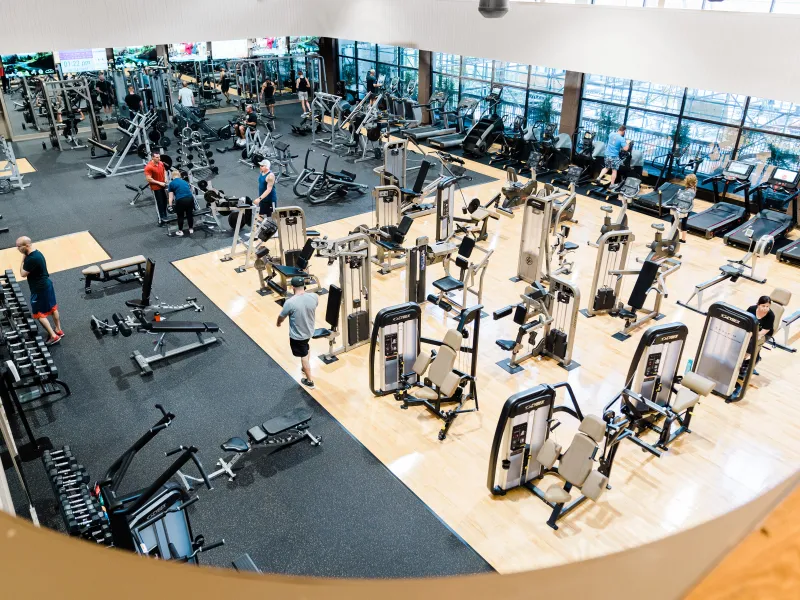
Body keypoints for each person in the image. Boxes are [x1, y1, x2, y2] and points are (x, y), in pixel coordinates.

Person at [16, 237, 63, 345]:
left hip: (39, 289)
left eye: (18, 246)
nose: (17, 249)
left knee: (38, 314)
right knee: (53, 308)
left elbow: (22, 274)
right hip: (47, 285)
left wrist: (22, 261)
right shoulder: (37, 253)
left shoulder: (31, 259)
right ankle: (58, 329)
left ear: (26, 246)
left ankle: (54, 336)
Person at [276, 276, 319, 389]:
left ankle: (310, 381)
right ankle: (304, 368)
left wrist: (278, 323)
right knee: (306, 347)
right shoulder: (314, 297)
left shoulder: (290, 302)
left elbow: (282, 316)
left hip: (298, 335)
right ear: (304, 285)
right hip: (309, 331)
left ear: (292, 287)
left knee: (303, 355)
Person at [167, 169, 195, 236]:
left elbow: (170, 197)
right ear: (179, 175)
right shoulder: (184, 181)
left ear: (172, 176)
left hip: (181, 200)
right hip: (190, 199)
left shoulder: (171, 183)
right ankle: (191, 229)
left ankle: (180, 231)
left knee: (180, 216)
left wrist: (170, 205)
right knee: (189, 214)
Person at [144, 151, 169, 224]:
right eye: (157, 157)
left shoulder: (161, 163)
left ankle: (165, 217)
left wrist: (166, 178)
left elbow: (164, 170)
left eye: (159, 157)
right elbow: (149, 179)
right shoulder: (148, 167)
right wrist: (159, 183)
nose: (159, 158)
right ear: (152, 157)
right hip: (156, 188)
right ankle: (160, 220)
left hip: (163, 185)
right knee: (159, 203)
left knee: (164, 202)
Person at [672, 174, 697, 243]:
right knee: (683, 222)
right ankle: (683, 239)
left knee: (673, 220)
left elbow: (683, 199)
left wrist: (679, 193)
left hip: (684, 208)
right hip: (687, 208)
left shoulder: (690, 191)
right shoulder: (693, 188)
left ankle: (674, 235)